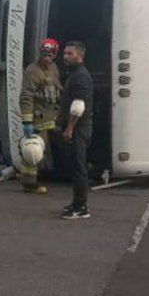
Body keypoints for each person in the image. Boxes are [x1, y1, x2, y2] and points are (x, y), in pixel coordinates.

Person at [19, 38, 63, 194]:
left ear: (55, 55)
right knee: (33, 149)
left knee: (53, 148)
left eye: (49, 55)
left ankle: (50, 175)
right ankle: (29, 183)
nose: (46, 58)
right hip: (37, 117)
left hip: (52, 115)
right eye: (44, 54)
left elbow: (57, 88)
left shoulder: (54, 68)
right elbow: (26, 96)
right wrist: (27, 121)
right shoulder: (32, 70)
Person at [59, 41, 94, 220]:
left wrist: (69, 128)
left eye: (70, 54)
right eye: (65, 53)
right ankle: (77, 203)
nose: (65, 56)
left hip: (79, 128)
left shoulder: (80, 77)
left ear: (80, 56)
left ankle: (81, 207)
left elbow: (78, 106)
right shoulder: (76, 74)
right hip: (79, 127)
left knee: (79, 167)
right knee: (75, 165)